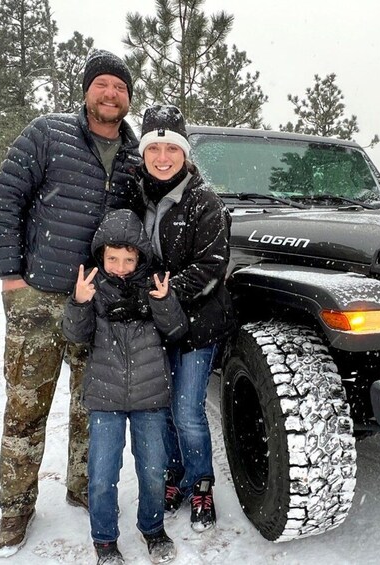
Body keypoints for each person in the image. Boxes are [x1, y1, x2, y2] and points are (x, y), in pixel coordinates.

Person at [0, 49, 145, 555]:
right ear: (86, 91)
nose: (110, 94)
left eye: (119, 88)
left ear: (127, 97)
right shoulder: (48, 134)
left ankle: (83, 485)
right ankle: (15, 510)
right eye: (102, 84)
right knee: (26, 406)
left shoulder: (132, 153)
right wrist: (10, 275)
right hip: (38, 291)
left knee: (89, 403)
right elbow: (7, 197)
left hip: (96, 300)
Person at [63, 209, 187, 565]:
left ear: (140, 258)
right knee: (102, 475)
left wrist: (164, 303)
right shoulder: (91, 288)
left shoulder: (155, 287)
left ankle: (152, 529)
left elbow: (176, 331)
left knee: (152, 471)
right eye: (112, 258)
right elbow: (75, 335)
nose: (119, 266)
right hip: (105, 397)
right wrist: (79, 303)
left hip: (150, 397)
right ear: (101, 256)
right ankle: (104, 541)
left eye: (128, 259)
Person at [138, 104, 234, 532]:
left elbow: (212, 264)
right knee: (162, 409)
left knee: (187, 409)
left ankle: (202, 484)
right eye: (153, 148)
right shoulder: (136, 196)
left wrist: (166, 294)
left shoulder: (204, 202)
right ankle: (174, 475)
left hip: (199, 323)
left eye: (170, 148)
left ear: (184, 153)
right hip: (152, 325)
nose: (162, 157)